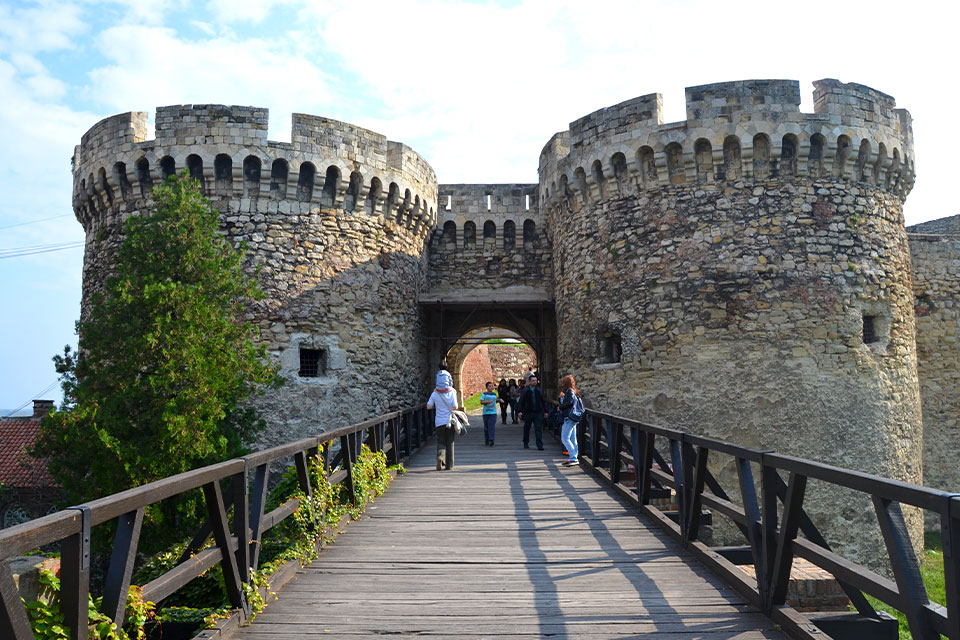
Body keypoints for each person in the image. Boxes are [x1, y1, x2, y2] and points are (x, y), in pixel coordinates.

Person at [427, 383, 459, 470]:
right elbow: (455, 406)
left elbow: (428, 406)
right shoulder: (452, 392)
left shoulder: (434, 394)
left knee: (440, 441)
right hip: (449, 421)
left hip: (439, 422)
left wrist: (437, 406)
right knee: (450, 442)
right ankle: (449, 465)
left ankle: (440, 458)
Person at [517, 374, 548, 450]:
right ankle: (526, 442)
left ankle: (539, 445)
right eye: (533, 380)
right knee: (527, 428)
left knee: (538, 429)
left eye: (535, 380)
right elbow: (521, 401)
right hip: (528, 412)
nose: (535, 382)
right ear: (530, 381)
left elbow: (543, 401)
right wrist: (519, 411)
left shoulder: (539, 390)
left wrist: (546, 411)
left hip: (538, 412)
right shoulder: (525, 391)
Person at [558, 374, 581, 467]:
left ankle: (573, 457)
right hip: (572, 417)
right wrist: (561, 398)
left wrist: (560, 406)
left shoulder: (569, 391)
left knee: (565, 438)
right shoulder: (571, 391)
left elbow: (570, 403)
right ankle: (574, 457)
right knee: (572, 438)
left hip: (569, 417)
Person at [480, 381, 498, 446]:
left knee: (491, 426)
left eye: (492, 386)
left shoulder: (494, 394)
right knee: (486, 427)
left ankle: (491, 439)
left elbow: (495, 401)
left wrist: (499, 400)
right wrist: (488, 402)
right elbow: (481, 402)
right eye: (489, 386)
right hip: (486, 413)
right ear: (487, 387)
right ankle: (487, 439)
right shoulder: (484, 394)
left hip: (493, 412)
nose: (491, 387)